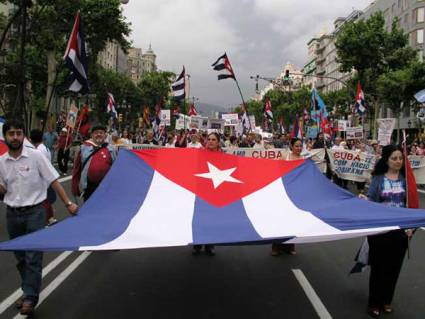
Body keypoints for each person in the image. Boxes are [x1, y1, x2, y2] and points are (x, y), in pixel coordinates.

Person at [0, 119, 78, 316]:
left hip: (35, 213)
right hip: (12, 214)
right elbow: (3, 191)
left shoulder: (35, 156)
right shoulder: (1, 162)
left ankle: (30, 297)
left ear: (23, 136)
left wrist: (68, 203)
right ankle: (28, 289)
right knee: (20, 258)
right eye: (11, 134)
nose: (15, 137)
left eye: (19, 133)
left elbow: (54, 180)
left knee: (33, 256)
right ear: (5, 137)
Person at [360, 145, 412, 317]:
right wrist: (363, 200)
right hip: (381, 231)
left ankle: (386, 300)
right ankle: (374, 302)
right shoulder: (378, 179)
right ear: (386, 160)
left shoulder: (406, 180)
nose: (398, 161)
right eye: (394, 158)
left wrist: (410, 227)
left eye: (400, 158)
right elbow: (372, 201)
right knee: (379, 268)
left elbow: (411, 205)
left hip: (400, 232)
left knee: (394, 267)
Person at [271, 138, 303, 256]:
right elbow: (275, 171)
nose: (299, 148)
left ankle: (291, 245)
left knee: (293, 220)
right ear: (291, 146)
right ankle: (276, 246)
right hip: (284, 192)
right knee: (281, 220)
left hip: (297, 194)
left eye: (300, 146)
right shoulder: (285, 157)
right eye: (296, 146)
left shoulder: (304, 160)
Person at [192, 132, 221, 257]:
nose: (210, 141)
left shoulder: (223, 156)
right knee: (199, 219)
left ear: (218, 142)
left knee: (212, 219)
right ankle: (197, 244)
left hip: (215, 192)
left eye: (213, 139)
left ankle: (210, 245)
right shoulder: (200, 153)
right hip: (200, 190)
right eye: (209, 139)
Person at [72, 124, 117, 202]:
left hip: (106, 187)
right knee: (89, 211)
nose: (99, 134)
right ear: (92, 135)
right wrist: (75, 187)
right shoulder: (83, 148)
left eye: (101, 132)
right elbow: (76, 170)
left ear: (105, 135)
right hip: (89, 188)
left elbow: (117, 169)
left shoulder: (112, 149)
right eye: (96, 133)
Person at [29, 129, 58, 226]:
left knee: (42, 203)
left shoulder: (38, 151)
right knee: (46, 201)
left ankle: (48, 220)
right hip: (45, 179)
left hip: (42, 180)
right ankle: (50, 218)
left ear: (30, 139)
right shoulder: (45, 148)